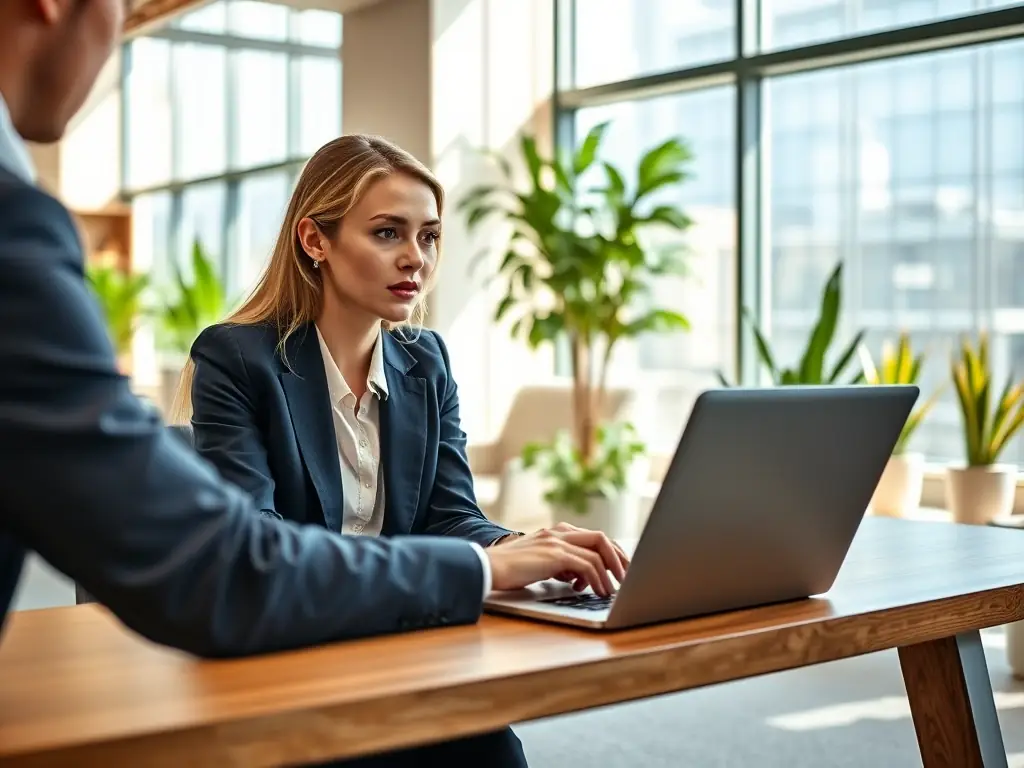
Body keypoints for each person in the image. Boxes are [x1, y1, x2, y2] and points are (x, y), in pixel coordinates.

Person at [0, 2, 627, 766]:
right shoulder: (238, 358)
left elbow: (449, 516)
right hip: (297, 647)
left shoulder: (425, 362)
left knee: (491, 748)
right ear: (315, 240)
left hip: (400, 639)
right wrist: (485, 568)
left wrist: (527, 547)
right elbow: (245, 551)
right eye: (388, 232)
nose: (416, 259)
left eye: (428, 236)